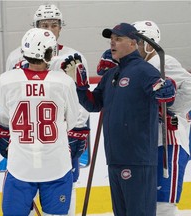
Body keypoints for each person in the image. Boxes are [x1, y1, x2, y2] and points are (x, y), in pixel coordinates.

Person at [63, 22, 176, 216]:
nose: (112, 44)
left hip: (138, 159)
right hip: (115, 158)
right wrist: (80, 87)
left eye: (118, 39)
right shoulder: (111, 75)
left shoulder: (144, 70)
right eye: (111, 40)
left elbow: (163, 92)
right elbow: (94, 104)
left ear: (133, 43)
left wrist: (168, 90)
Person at [0, 27, 89, 215]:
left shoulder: (6, 80)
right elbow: (71, 120)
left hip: (20, 165)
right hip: (56, 164)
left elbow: (6, 115)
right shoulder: (63, 82)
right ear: (49, 53)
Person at [132, 20, 191, 216]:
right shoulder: (136, 67)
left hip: (168, 143)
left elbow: (190, 87)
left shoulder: (160, 61)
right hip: (147, 144)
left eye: (137, 42)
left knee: (164, 205)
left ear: (149, 44)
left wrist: (170, 109)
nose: (133, 46)